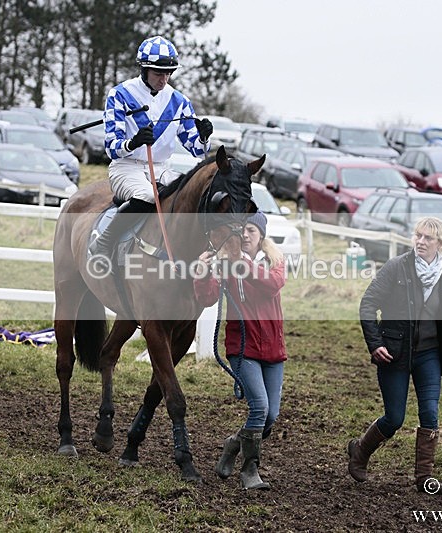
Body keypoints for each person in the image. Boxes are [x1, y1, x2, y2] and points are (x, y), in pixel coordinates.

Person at [352, 216, 442, 493]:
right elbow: (368, 304)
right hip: (394, 354)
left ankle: (425, 479)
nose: (421, 241)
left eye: (427, 238)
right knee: (394, 418)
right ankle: (360, 451)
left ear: (440, 244)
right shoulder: (396, 267)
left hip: (429, 355)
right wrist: (375, 344)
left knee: (430, 414)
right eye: (418, 236)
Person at [91, 35, 214, 273]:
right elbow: (112, 148)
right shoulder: (119, 94)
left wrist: (203, 136)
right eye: (158, 73)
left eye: (168, 73)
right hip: (126, 167)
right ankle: (104, 244)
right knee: (149, 196)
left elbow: (197, 151)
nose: (164, 79)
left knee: (187, 196)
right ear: (144, 70)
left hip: (161, 168)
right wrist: (133, 142)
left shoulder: (179, 101)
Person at [193, 211, 286, 490]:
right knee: (259, 407)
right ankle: (250, 470)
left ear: (261, 236)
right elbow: (207, 297)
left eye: (251, 231)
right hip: (242, 348)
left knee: (270, 416)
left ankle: (234, 443)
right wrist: (202, 272)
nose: (244, 235)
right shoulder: (227, 264)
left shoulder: (275, 262)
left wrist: (240, 264)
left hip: (273, 348)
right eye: (241, 231)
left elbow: (272, 285)